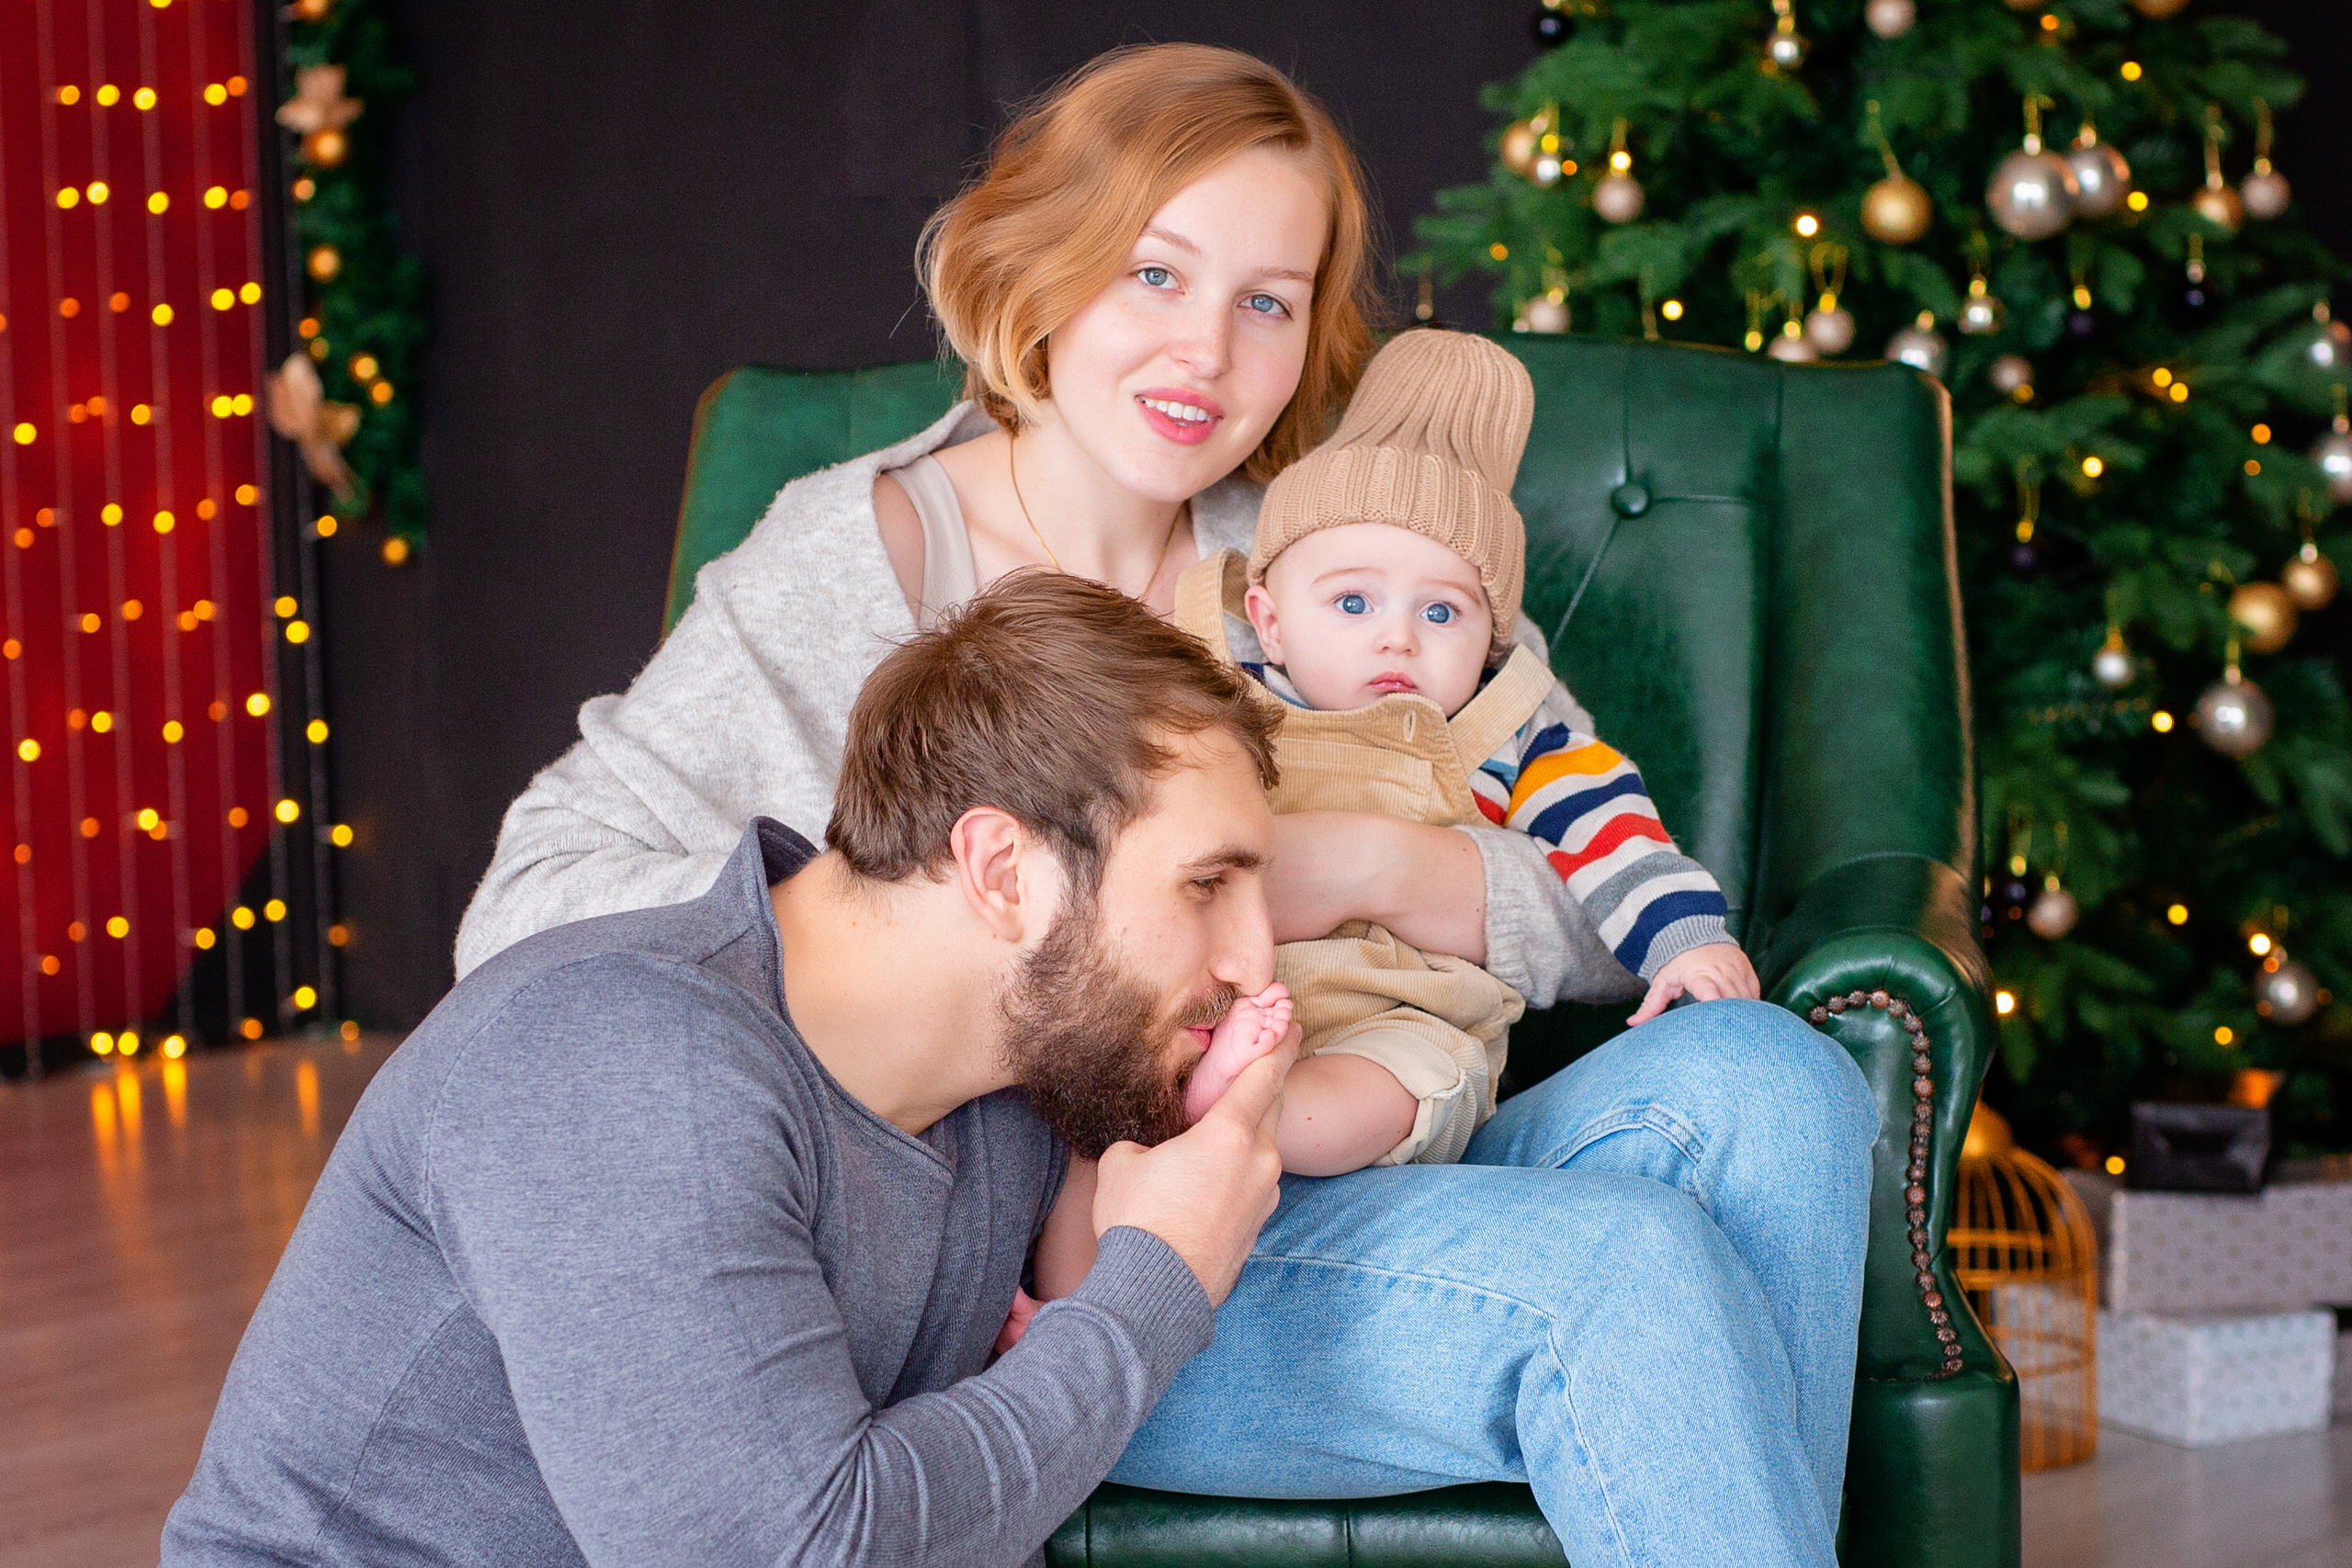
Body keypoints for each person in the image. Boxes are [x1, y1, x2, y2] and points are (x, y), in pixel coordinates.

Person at [455, 42, 1880, 1565]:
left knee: (1777, 1078)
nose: (1205, 351)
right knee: (1631, 1273)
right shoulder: (862, 557)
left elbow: (1597, 889)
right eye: (1153, 271)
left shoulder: (1339, 547)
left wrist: (1364, 864)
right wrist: (954, 892)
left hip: (1373, 1129)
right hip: (1082, 1254)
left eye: (1267, 300)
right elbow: (523, 918)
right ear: (1042, 267)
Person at [163, 575, 1300, 1567]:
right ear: (1002, 867)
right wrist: (1156, 1282)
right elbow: (796, 1553)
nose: (1255, 962)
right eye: (1207, 886)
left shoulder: (999, 1104)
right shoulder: (617, 1058)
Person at [1167, 327, 1755, 1177]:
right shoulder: (1205, 695)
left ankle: (1259, 1111)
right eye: (1354, 602)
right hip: (1213, 991)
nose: (1397, 639)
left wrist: (1685, 939)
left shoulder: (1512, 735)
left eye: (1440, 613)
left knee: (1411, 1079)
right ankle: (1197, 1105)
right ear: (1269, 621)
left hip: (1402, 1014)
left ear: (1490, 640)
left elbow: (1614, 831)